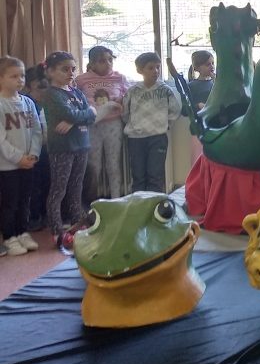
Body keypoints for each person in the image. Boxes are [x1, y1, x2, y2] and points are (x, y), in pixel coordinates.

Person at [40, 51, 95, 242]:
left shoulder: (77, 92)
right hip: (62, 148)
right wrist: (83, 114)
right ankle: (56, 229)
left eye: (73, 69)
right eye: (65, 69)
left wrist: (76, 119)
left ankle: (77, 221)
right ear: (51, 72)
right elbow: (77, 113)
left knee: (76, 187)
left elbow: (90, 116)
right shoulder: (52, 94)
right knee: (59, 189)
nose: (71, 73)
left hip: (81, 145)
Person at [74, 45, 130, 199]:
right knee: (94, 165)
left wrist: (121, 100)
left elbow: (129, 96)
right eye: (102, 61)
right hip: (92, 126)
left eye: (110, 60)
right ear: (92, 64)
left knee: (113, 164)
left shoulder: (119, 78)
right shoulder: (81, 80)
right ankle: (93, 199)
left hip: (113, 125)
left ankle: (116, 199)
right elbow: (73, 98)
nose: (107, 64)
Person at [0, 57, 42, 256]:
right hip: (7, 166)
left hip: (28, 163)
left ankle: (22, 232)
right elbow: (1, 141)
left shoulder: (28, 102)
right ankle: (10, 237)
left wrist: (33, 154)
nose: (20, 80)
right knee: (10, 203)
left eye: (22, 76)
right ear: (1, 79)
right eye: (14, 76)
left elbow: (37, 131)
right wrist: (18, 158)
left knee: (25, 200)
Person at [122, 52, 182, 193]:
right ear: (140, 70)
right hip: (136, 139)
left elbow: (175, 110)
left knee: (155, 174)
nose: (155, 71)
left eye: (157, 67)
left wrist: (167, 125)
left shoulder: (165, 90)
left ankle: (155, 203)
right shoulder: (133, 91)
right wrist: (132, 125)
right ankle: (139, 202)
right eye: (150, 68)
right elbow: (125, 112)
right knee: (138, 175)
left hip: (157, 138)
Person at [21, 64, 50, 231]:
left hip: (49, 149)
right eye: (39, 87)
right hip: (30, 151)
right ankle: (34, 216)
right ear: (28, 86)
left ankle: (46, 214)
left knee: (48, 182)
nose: (43, 90)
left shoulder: (51, 101)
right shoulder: (24, 103)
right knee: (34, 186)